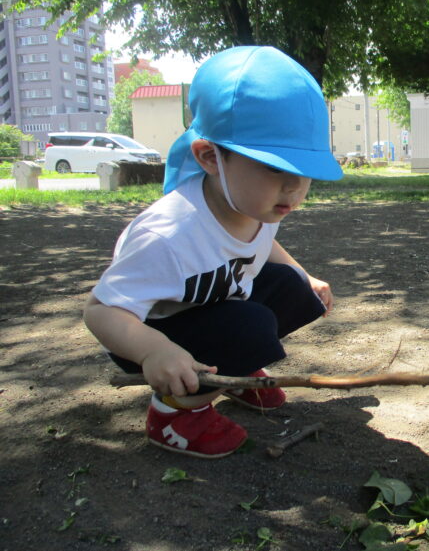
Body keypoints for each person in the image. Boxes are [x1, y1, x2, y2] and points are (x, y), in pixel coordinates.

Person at [83, 46, 343, 459]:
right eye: (275, 168)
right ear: (209, 157)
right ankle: (173, 413)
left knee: (296, 290)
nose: (294, 189)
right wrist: (154, 351)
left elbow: (261, 241)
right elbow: (100, 310)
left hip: (213, 311)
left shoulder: (254, 203)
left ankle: (230, 371)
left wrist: (302, 273)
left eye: (304, 173)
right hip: (146, 336)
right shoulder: (168, 234)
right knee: (251, 324)